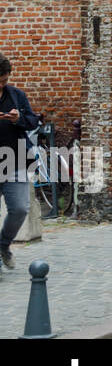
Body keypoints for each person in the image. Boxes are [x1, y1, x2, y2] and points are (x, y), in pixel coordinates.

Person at [0, 54, 39, 268]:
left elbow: (33, 121)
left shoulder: (16, 95)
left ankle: (4, 245)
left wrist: (19, 119)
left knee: (20, 208)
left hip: (15, 161)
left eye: (4, 80)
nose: (1, 85)